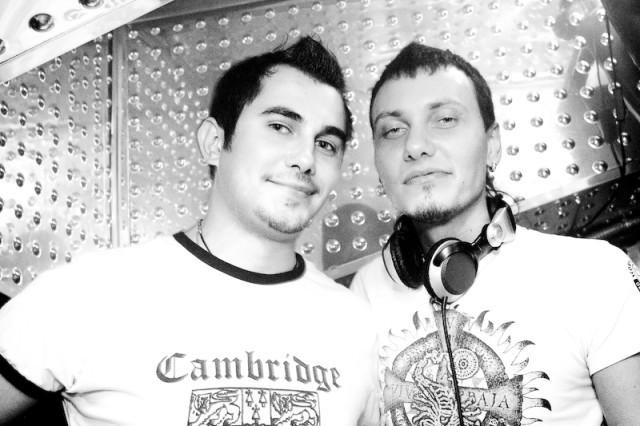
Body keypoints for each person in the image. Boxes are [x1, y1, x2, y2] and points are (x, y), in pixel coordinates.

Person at [0, 36, 380, 426]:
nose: (306, 158)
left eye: (326, 144)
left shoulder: (357, 325)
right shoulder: (89, 293)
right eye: (280, 126)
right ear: (214, 142)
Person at [351, 42, 640, 426]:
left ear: (492, 145)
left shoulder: (594, 272)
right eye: (392, 130)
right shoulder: (364, 292)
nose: (415, 146)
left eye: (444, 119)